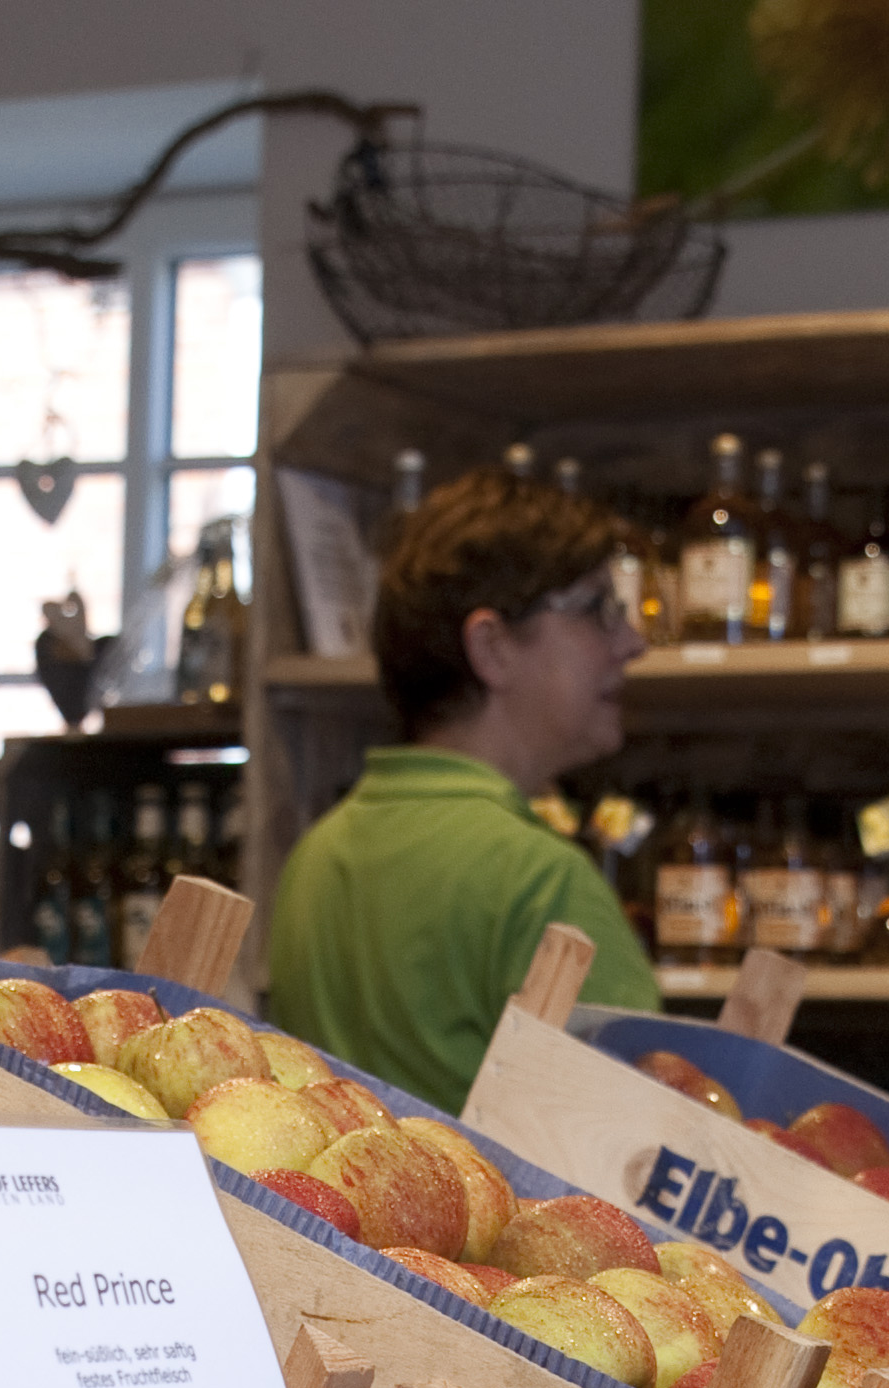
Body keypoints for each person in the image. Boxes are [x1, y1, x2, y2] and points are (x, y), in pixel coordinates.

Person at [260, 470, 655, 1099]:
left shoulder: (316, 854)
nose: (632, 642)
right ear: (492, 647)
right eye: (598, 610)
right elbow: (637, 1152)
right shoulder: (539, 880)